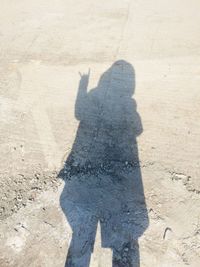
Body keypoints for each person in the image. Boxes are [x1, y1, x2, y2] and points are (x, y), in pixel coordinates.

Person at [58, 60, 149, 267]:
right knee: (123, 244)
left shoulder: (108, 101)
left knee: (80, 238)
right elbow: (138, 128)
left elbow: (79, 113)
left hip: (88, 167)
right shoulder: (130, 107)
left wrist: (83, 86)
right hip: (118, 172)